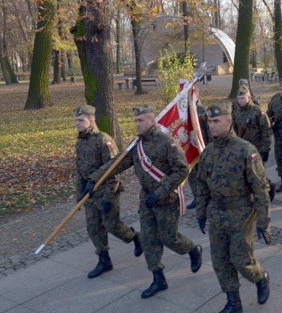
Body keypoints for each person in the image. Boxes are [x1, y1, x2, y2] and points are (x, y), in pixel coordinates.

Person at [88, 105, 203, 299]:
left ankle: (192, 249)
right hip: (146, 201)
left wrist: (160, 193)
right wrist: (95, 178)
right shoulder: (136, 145)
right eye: (135, 121)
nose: (137, 124)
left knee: (170, 238)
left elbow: (182, 170)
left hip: (166, 200)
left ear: (152, 121)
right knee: (149, 240)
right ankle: (158, 279)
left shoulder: (167, 142)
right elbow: (117, 163)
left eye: (141, 120)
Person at [194, 101, 271, 313]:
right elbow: (201, 184)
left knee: (241, 261)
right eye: (209, 121)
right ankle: (233, 302)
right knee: (219, 261)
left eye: (216, 121)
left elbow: (260, 187)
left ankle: (260, 278)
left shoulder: (245, 150)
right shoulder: (208, 152)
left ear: (229, 122)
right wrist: (201, 212)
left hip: (241, 213)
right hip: (216, 214)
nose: (211, 125)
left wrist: (264, 221)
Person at [73, 105, 141, 279]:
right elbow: (80, 170)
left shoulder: (103, 140)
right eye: (76, 120)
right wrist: (79, 193)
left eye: (81, 120)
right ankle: (104, 260)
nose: (77, 124)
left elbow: (114, 170)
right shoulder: (80, 142)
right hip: (89, 194)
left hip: (106, 192)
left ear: (91, 120)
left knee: (112, 225)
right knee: (93, 228)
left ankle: (135, 237)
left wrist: (108, 197)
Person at [233, 85, 276, 201]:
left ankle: (268, 187)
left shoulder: (257, 111)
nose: (240, 100)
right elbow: (235, 131)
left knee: (258, 173)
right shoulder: (236, 112)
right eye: (239, 98)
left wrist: (266, 149)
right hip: (242, 149)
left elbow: (266, 130)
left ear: (249, 97)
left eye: (243, 98)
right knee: (246, 173)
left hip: (257, 148)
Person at [186, 87, 210, 210]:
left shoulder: (203, 111)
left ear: (197, 96)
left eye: (192, 96)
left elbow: (210, 130)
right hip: (190, 148)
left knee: (204, 175)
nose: (190, 99)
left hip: (203, 148)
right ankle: (196, 197)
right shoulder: (185, 112)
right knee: (192, 174)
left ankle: (206, 198)